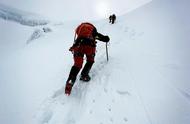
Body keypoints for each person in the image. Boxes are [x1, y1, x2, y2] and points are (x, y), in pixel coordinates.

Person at [65, 22, 110, 95]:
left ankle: (69, 83)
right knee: (90, 60)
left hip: (78, 45)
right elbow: (98, 36)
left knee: (77, 65)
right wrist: (106, 38)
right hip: (89, 46)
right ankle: (84, 75)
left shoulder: (78, 29)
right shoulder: (92, 28)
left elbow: (78, 37)